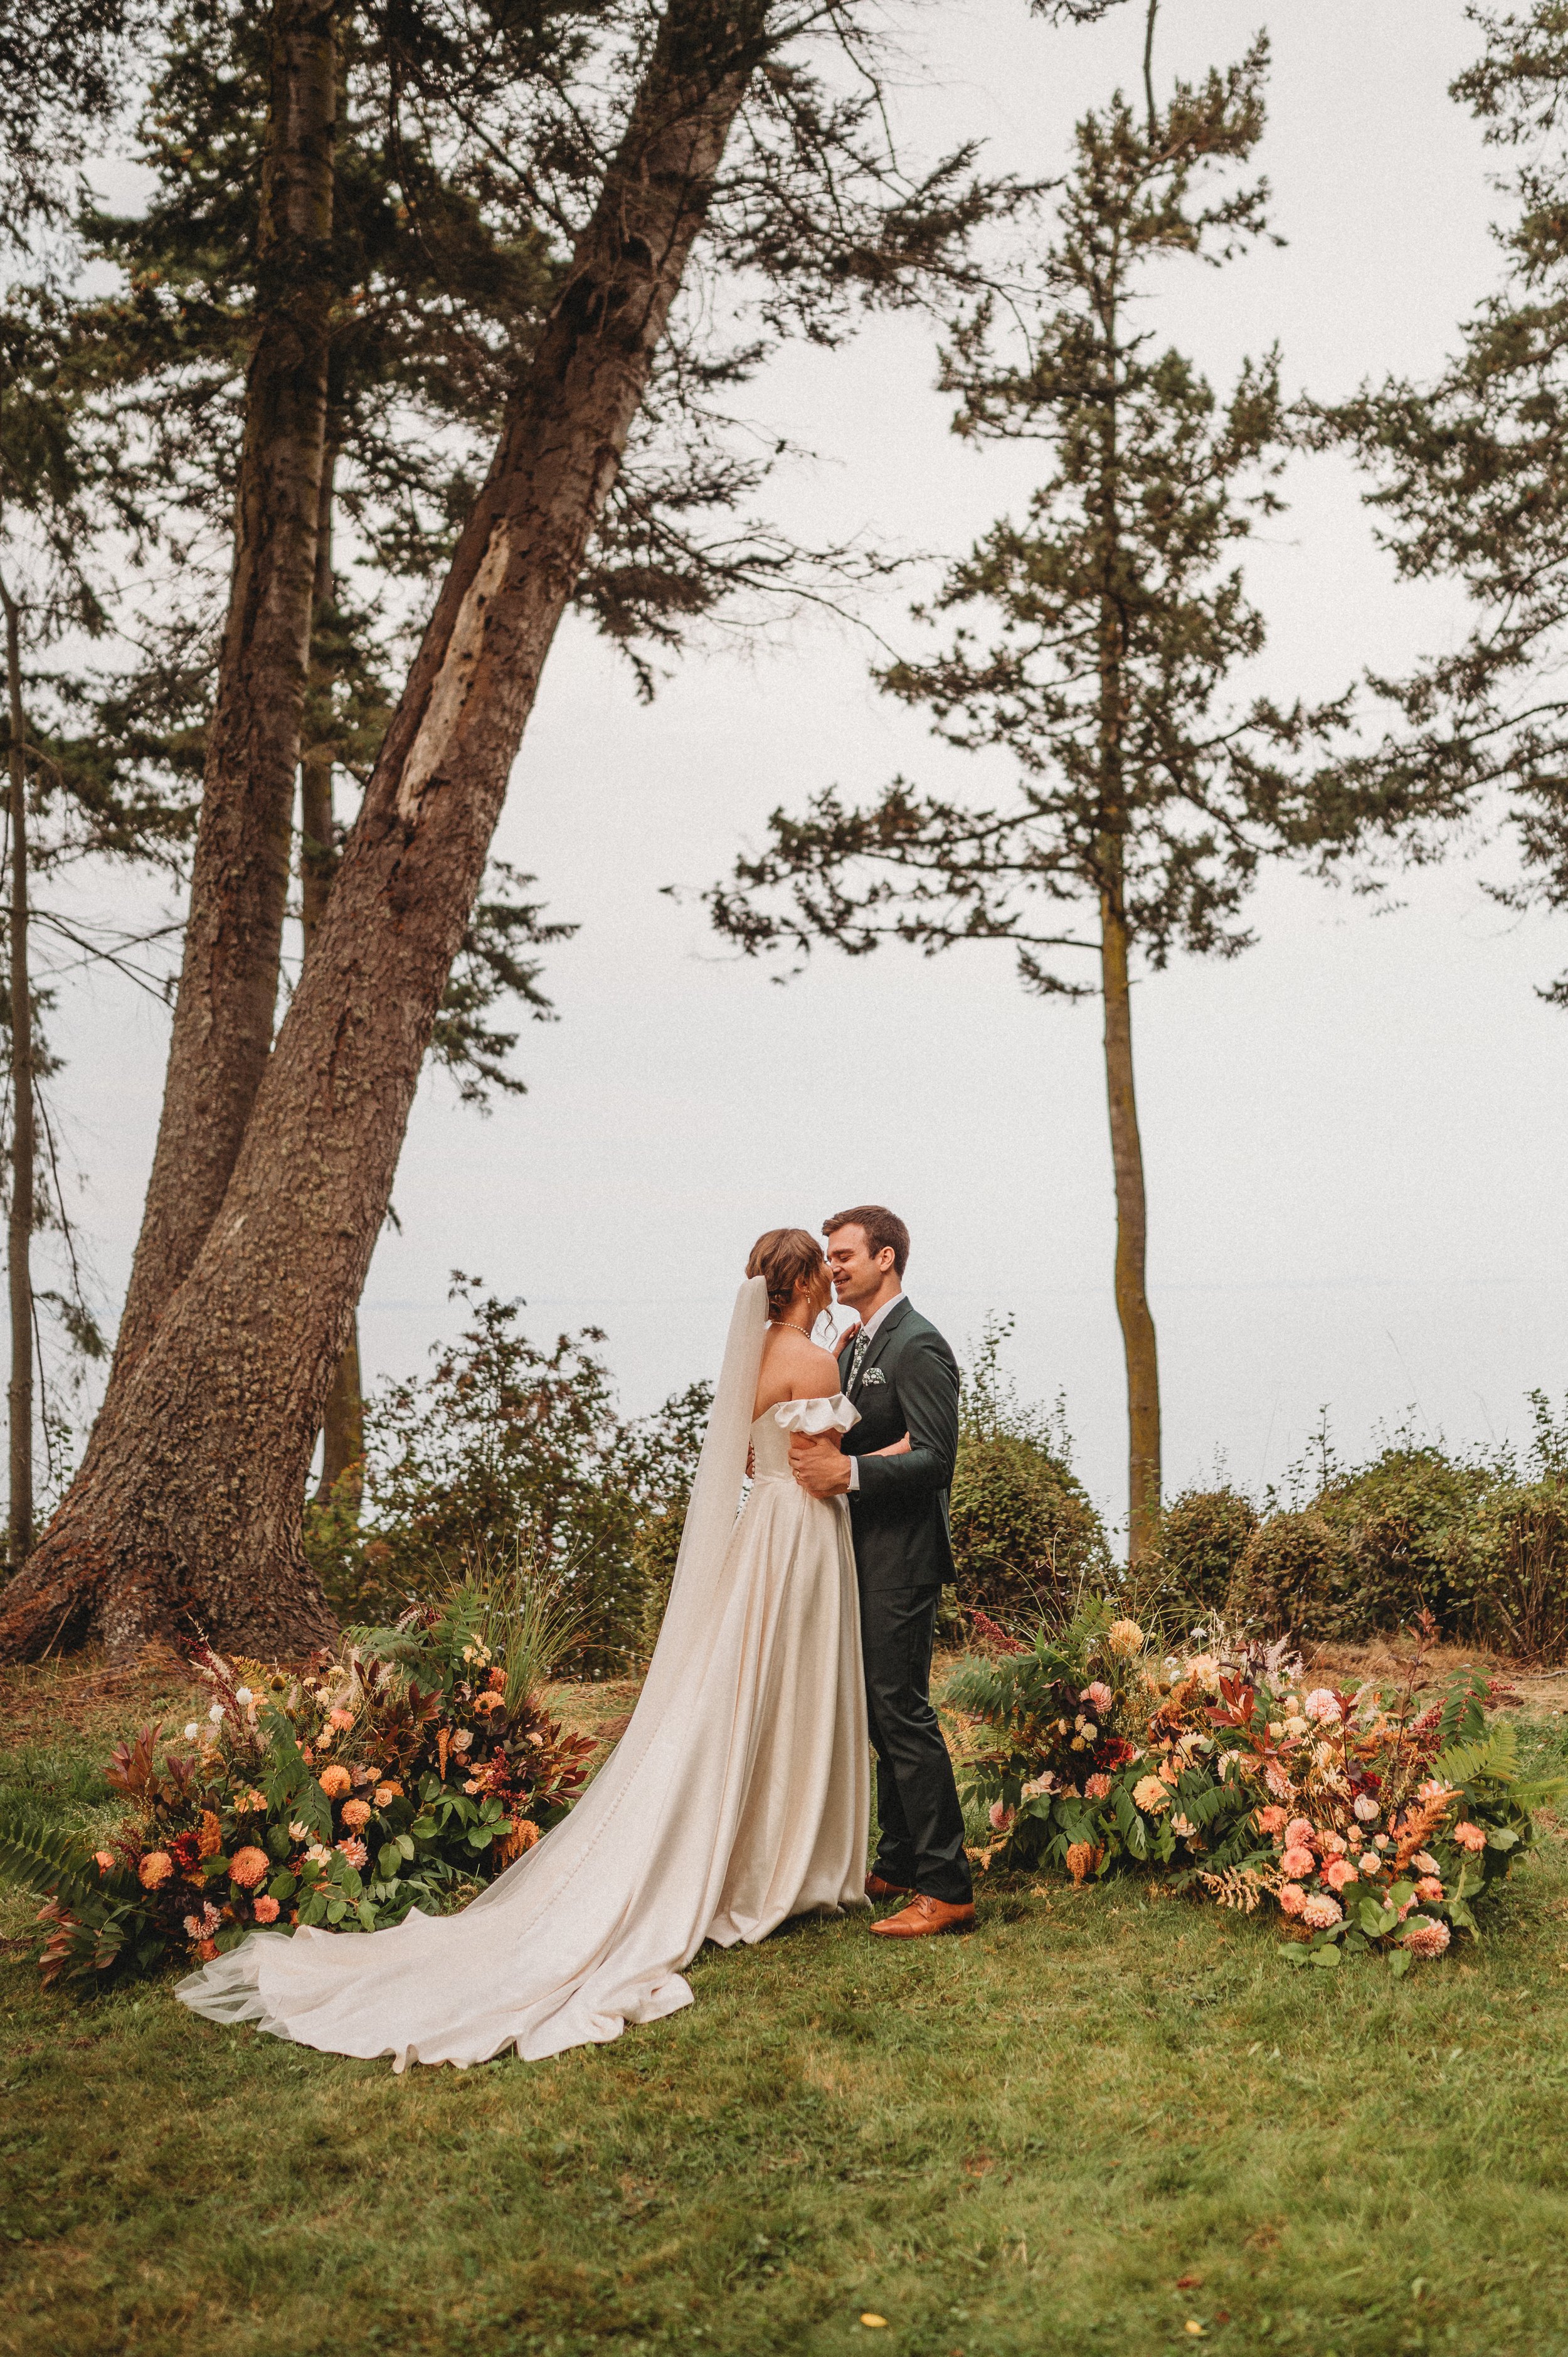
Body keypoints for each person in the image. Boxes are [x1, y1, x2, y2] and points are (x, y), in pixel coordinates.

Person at [177, 1230, 871, 2069]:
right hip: (800, 1534)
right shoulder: (818, 1364)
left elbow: (758, 1460)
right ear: (805, 1283)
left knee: (743, 1690)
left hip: (756, 1531)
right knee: (793, 1691)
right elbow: (825, 1463)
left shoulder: (751, 1354)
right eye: (823, 1273)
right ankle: (790, 1867)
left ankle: (762, 1856)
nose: (834, 1282)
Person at [788, 1205, 975, 1938]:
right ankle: (897, 1861)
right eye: (830, 1257)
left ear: (886, 1258)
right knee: (876, 1709)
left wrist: (850, 1472)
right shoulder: (860, 1339)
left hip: (902, 1556)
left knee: (900, 1710)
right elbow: (856, 1426)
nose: (832, 1267)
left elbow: (935, 1457)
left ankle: (947, 1885)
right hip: (861, 1551)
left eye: (844, 1256)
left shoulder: (918, 1343)